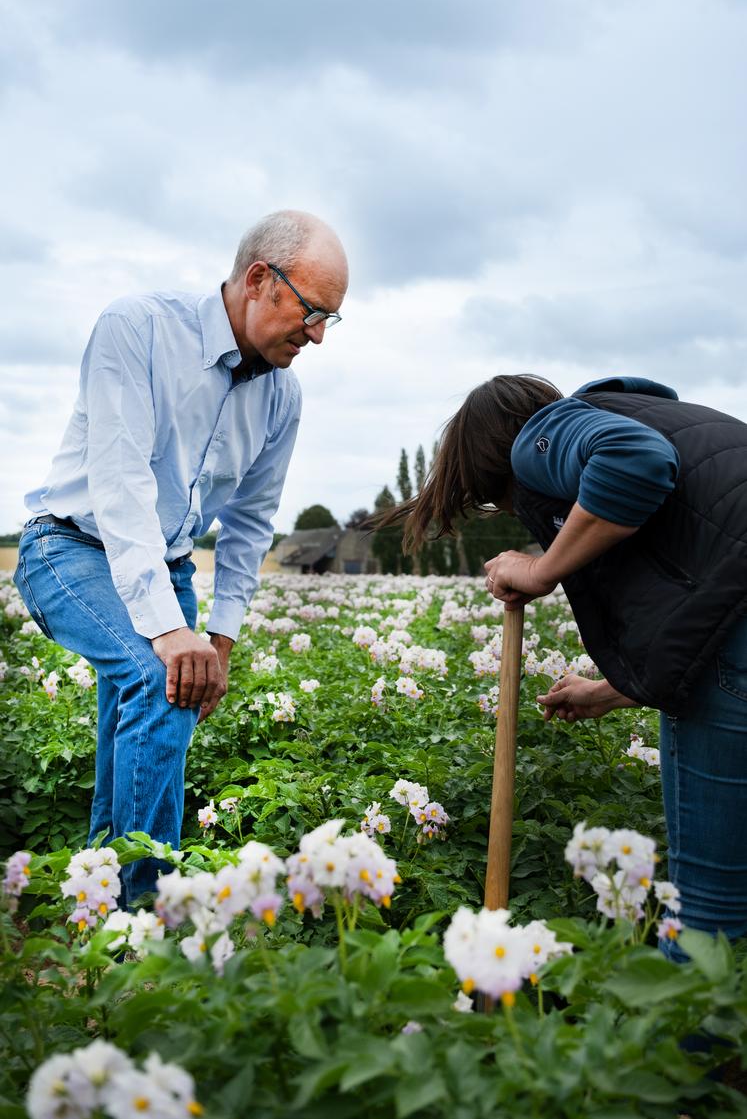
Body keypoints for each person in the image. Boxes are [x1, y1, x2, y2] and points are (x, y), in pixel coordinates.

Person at [14, 210, 349, 904]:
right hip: (69, 546)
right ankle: (147, 921)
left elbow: (250, 526)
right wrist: (171, 635)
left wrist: (217, 640)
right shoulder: (136, 328)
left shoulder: (283, 396)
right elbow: (121, 483)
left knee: (152, 711)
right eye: (311, 311)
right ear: (259, 279)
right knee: (159, 683)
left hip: (166, 566)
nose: (316, 334)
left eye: (329, 320)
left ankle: (96, 905)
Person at [392, 373, 747, 958]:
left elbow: (635, 461)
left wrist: (539, 569)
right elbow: (703, 588)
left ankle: (679, 1050)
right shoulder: (644, 415)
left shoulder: (546, 433)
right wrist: (612, 691)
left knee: (706, 911)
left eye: (500, 500)